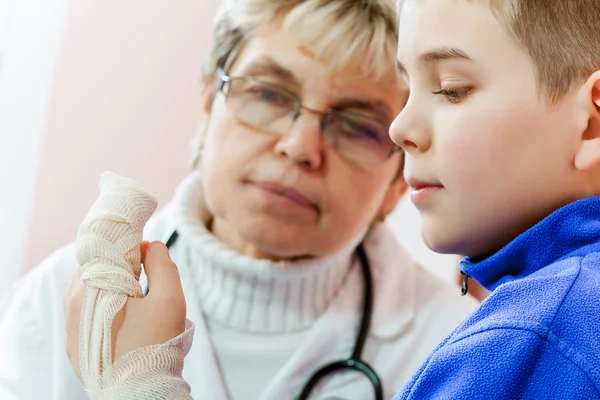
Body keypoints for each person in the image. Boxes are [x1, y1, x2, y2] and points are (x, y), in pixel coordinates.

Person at [0, 0, 479, 399]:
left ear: (398, 181)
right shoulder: (60, 295)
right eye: (269, 94)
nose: (300, 146)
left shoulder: (455, 346)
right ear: (209, 104)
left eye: (357, 126)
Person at [389, 0, 600, 398]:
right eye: (407, 90)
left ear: (591, 124)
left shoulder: (535, 338)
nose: (399, 128)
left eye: (452, 89)